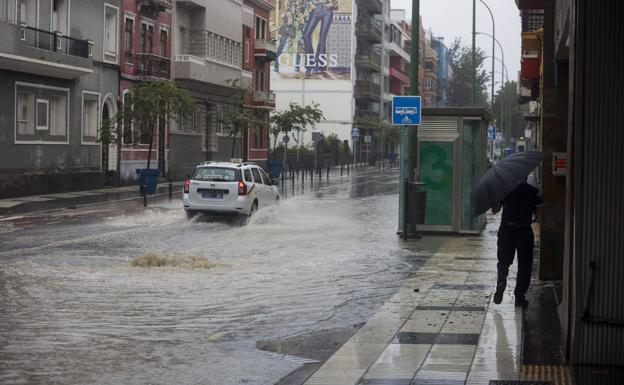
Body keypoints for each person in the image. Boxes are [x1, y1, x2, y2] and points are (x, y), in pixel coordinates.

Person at [492, 178, 544, 307]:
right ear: (526, 176)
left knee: (503, 260)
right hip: (524, 232)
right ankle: (519, 297)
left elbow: (495, 210)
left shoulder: (504, 190)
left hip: (506, 230)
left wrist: (496, 198)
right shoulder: (533, 191)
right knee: (525, 265)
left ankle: (501, 280)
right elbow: (541, 214)